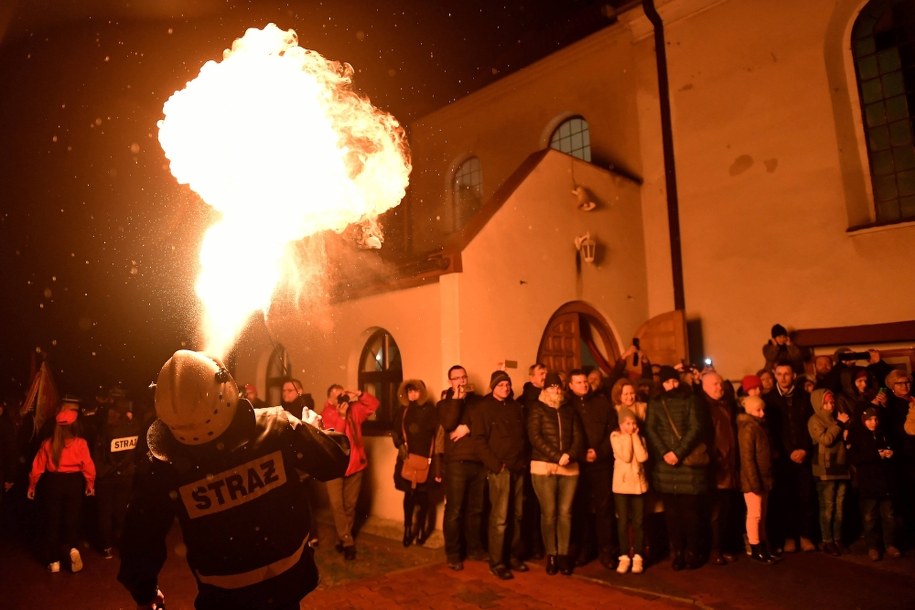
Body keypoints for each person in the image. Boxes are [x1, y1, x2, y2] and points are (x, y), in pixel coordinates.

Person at [117, 350, 349, 610]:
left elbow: (138, 541)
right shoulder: (276, 426)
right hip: (288, 587)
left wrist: (144, 593)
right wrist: (315, 431)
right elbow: (335, 462)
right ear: (225, 390)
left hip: (223, 601)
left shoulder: (163, 468)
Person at [645, 365, 709, 570]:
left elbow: (695, 427)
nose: (671, 385)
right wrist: (665, 452)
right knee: (671, 513)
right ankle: (678, 551)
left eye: (673, 381)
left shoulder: (690, 400)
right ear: (661, 384)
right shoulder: (655, 403)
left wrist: (677, 453)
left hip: (686, 465)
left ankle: (692, 550)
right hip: (666, 467)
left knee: (691, 512)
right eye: (666, 382)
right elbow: (651, 429)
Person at [472, 370, 527, 580]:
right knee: (500, 517)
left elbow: (522, 436)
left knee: (518, 515)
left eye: (508, 385)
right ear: (493, 386)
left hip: (518, 467)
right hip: (500, 469)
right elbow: (479, 441)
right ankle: (497, 562)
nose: (505, 388)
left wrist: (522, 461)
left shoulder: (516, 407)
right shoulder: (483, 408)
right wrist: (496, 466)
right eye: (501, 385)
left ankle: (513, 556)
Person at [528, 372, 585, 576]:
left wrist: (569, 455)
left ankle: (563, 554)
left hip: (569, 467)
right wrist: (557, 456)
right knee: (549, 513)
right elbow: (535, 436)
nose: (556, 391)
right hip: (544, 466)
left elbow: (579, 437)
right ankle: (551, 554)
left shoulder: (569, 410)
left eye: (558, 387)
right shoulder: (537, 408)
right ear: (545, 390)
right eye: (552, 387)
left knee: (565, 513)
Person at [28, 408, 96, 573]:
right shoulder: (81, 444)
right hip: (74, 483)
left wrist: (32, 486)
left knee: (52, 522)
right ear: (74, 426)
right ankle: (73, 548)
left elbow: (37, 468)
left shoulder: (47, 444)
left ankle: (54, 562)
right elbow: (89, 467)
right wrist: (90, 485)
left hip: (53, 484)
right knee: (71, 519)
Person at [319, 384, 379, 560]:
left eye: (343, 395)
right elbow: (336, 436)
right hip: (334, 467)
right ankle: (347, 542)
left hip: (355, 464)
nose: (342, 400)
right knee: (337, 505)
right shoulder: (325, 415)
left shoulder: (354, 410)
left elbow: (374, 406)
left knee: (350, 505)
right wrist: (342, 416)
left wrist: (359, 395)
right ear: (330, 399)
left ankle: (342, 538)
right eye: (338, 397)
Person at [567, 368, 618, 569]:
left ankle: (606, 550)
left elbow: (612, 429)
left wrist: (599, 451)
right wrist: (581, 454)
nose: (584, 385)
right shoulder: (567, 407)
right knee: (580, 508)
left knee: (604, 508)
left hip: (601, 463)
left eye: (585, 381)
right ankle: (584, 548)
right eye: (578, 382)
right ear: (570, 386)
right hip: (578, 465)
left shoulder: (601, 402)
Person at [438, 364, 486, 570]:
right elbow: (449, 423)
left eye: (463, 377)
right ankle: (453, 553)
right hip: (456, 462)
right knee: (455, 510)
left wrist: (468, 427)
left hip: (478, 461)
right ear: (450, 381)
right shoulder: (444, 404)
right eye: (456, 378)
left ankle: (474, 549)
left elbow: (486, 422)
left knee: (475, 509)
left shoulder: (479, 401)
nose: (461, 381)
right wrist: (457, 399)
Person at [765, 360, 816, 554]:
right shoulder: (769, 400)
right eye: (779, 374)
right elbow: (772, 431)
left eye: (786, 374)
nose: (783, 378)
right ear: (775, 374)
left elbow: (809, 426)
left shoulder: (805, 397)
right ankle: (788, 537)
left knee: (806, 497)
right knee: (785, 498)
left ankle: (805, 535)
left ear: (793, 375)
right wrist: (786, 452)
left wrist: (804, 449)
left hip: (803, 456)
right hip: (782, 459)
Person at [392, 379, 442, 548]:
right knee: (409, 497)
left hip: (426, 460)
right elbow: (396, 430)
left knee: (423, 498)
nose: (413, 394)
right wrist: (399, 444)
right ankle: (407, 529)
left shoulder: (431, 410)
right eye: (410, 391)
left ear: (423, 391)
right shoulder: (403, 410)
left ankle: (421, 529)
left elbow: (437, 435)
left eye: (416, 391)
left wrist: (436, 462)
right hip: (407, 459)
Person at [847, 407, 901, 560]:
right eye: (870, 420)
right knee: (870, 517)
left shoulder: (884, 434)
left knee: (889, 516)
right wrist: (876, 455)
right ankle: (873, 547)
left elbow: (893, 446)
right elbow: (854, 458)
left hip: (886, 483)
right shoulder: (857, 436)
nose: (874, 423)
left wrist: (891, 452)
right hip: (868, 483)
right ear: (864, 421)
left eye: (876, 419)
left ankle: (890, 544)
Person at [699, 372, 741, 565]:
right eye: (715, 384)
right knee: (716, 512)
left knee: (727, 510)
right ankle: (715, 548)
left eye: (720, 384)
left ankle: (725, 546)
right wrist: (715, 458)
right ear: (705, 387)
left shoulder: (727, 405)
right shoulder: (704, 408)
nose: (719, 387)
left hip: (730, 465)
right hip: (717, 467)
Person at [93, 398, 140, 559]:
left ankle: (106, 547)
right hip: (125, 476)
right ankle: (122, 542)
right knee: (121, 511)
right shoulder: (132, 429)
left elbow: (98, 455)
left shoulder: (104, 430)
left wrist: (104, 472)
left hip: (106, 477)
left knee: (104, 512)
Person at [808, 389, 851, 555]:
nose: (830, 406)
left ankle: (837, 538)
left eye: (832, 402)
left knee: (840, 505)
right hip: (825, 468)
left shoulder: (836, 418)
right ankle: (827, 539)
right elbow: (825, 440)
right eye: (826, 403)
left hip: (841, 465)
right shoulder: (815, 420)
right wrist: (839, 425)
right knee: (828, 505)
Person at [737, 396, 775, 564]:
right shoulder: (749, 429)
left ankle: (763, 545)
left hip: (762, 478)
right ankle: (755, 547)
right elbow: (748, 459)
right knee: (755, 515)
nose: (762, 413)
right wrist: (754, 483)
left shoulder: (758, 427)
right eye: (758, 410)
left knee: (762, 515)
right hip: (754, 480)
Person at [611, 407, 649, 574]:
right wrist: (627, 437)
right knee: (623, 521)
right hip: (622, 484)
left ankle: (638, 555)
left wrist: (634, 437)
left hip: (638, 484)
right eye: (627, 423)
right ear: (621, 424)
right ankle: (624, 555)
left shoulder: (639, 437)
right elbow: (625, 456)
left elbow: (642, 457)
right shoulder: (615, 437)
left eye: (633, 423)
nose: (631, 426)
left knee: (639, 521)